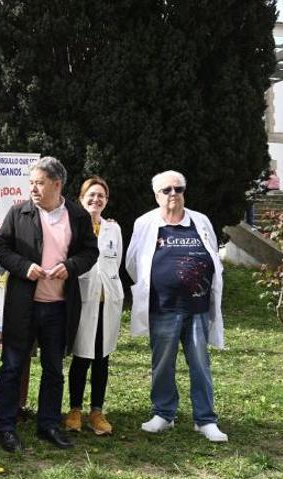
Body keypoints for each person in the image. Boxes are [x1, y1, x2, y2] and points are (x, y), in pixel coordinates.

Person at [0, 156, 98, 453]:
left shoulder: (77, 216)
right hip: (23, 305)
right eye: (31, 184)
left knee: (53, 368)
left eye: (39, 183)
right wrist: (25, 267)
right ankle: (6, 427)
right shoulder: (19, 212)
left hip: (59, 307)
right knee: (12, 367)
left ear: (56, 184)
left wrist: (71, 266)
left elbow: (91, 251)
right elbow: (1, 248)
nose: (34, 189)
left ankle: (48, 424)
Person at [125, 170, 228, 443]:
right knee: (162, 363)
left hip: (197, 307)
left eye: (178, 189)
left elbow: (213, 256)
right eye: (167, 190)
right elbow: (133, 262)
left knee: (200, 363)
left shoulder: (201, 221)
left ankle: (205, 420)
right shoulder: (145, 223)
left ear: (184, 192)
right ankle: (163, 414)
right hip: (163, 306)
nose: (173, 194)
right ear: (157, 195)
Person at [64, 177, 123, 436]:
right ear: (81, 197)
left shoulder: (113, 229)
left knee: (102, 357)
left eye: (101, 196)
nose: (96, 199)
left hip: (107, 300)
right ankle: (75, 410)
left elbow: (115, 262)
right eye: (91, 195)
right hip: (82, 299)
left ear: (106, 201)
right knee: (81, 355)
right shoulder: (71, 225)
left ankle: (97, 412)